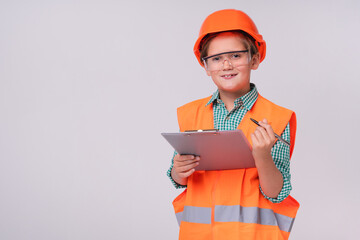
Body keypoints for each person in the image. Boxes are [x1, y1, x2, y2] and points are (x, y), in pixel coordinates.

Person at [166, 9, 299, 240]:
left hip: (252, 235)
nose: (226, 64)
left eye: (236, 56)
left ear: (254, 59)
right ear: (206, 67)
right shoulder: (190, 114)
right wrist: (178, 171)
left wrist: (262, 155)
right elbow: (179, 179)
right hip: (199, 235)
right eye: (216, 59)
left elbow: (276, 193)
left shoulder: (276, 118)